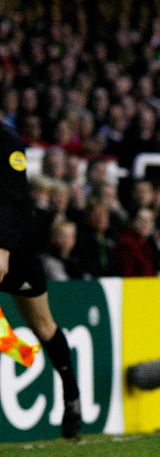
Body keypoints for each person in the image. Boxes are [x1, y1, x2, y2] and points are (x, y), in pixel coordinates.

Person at [0, 121, 85, 438]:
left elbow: (15, 202)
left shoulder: (7, 139)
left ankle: (71, 393)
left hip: (13, 248)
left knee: (43, 325)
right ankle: (18, 351)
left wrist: (4, 250)